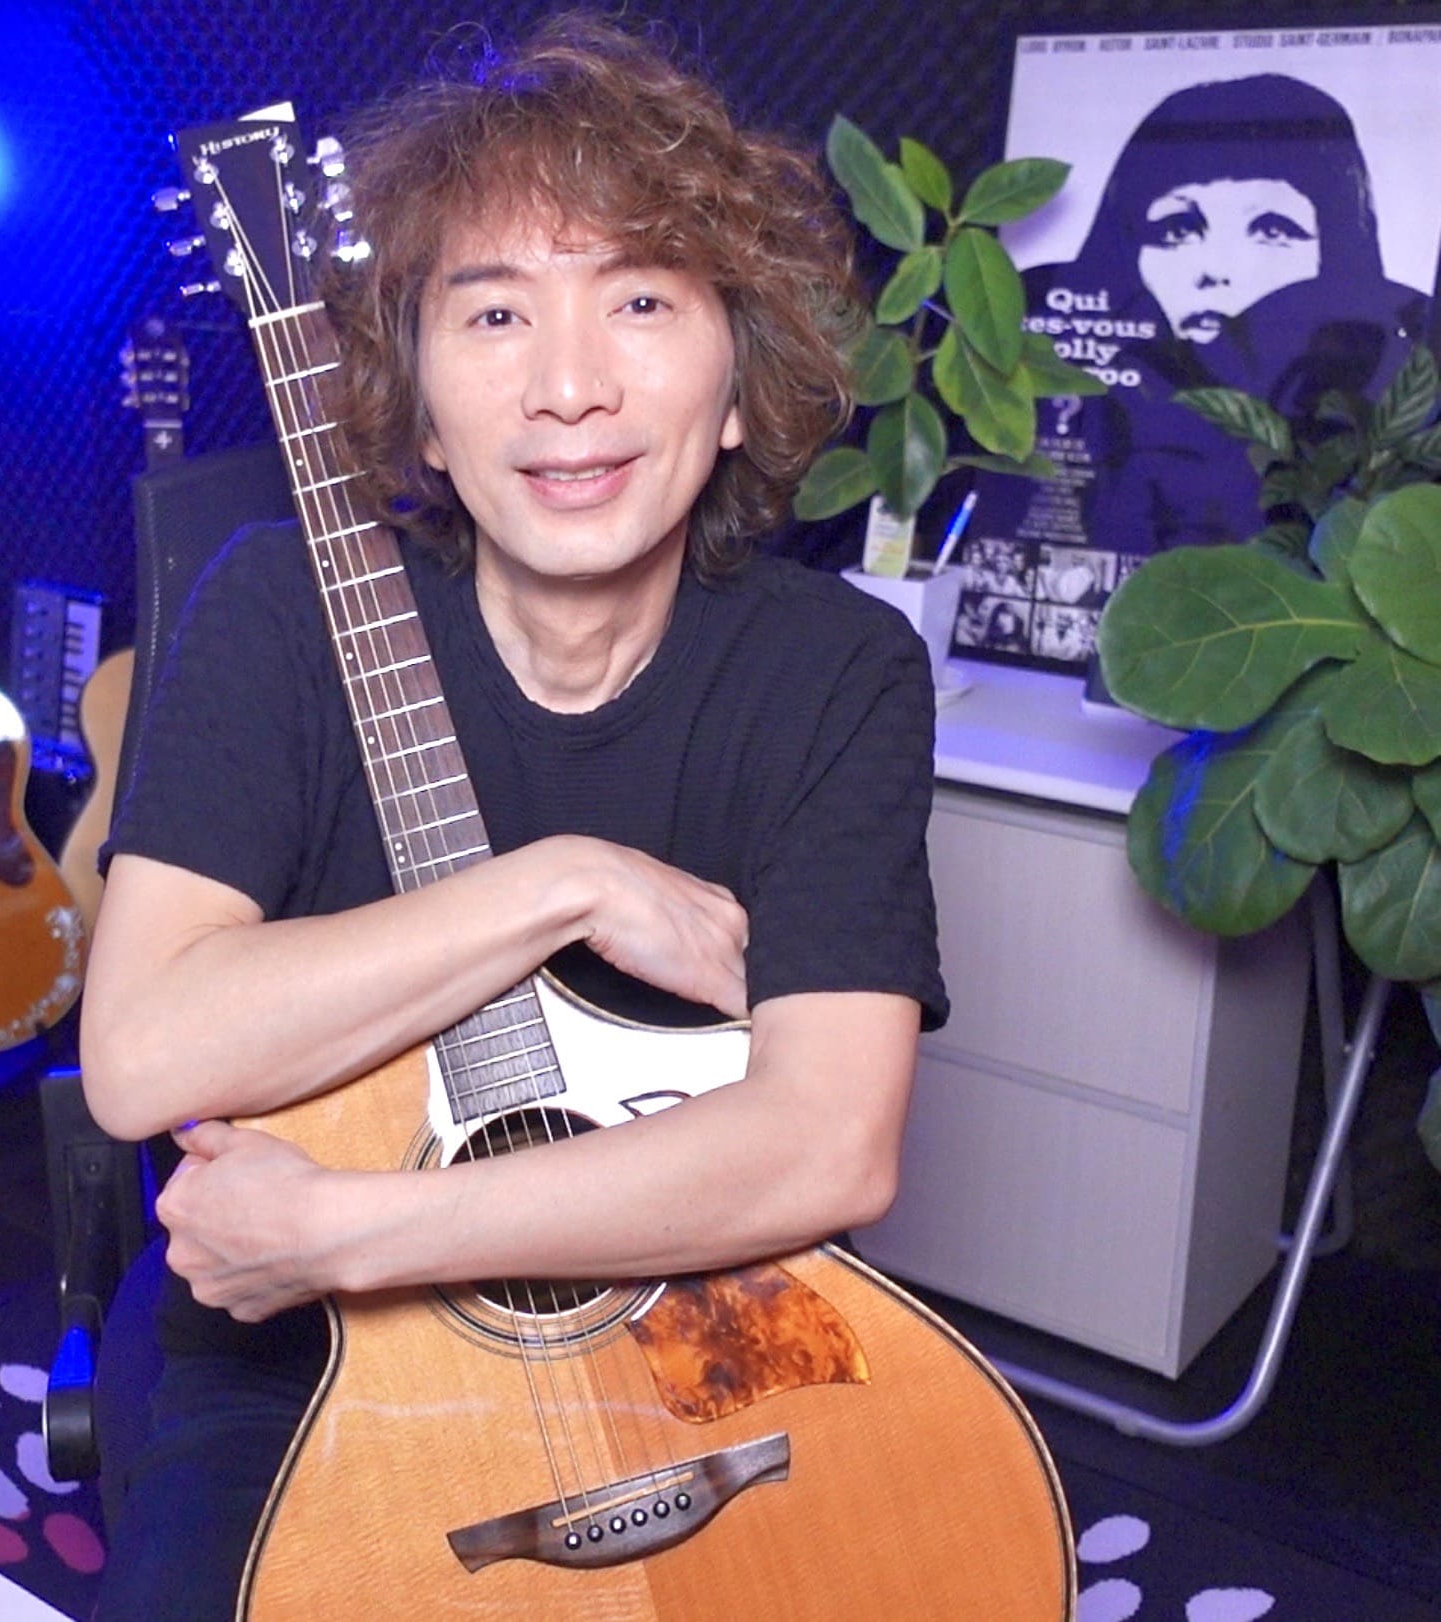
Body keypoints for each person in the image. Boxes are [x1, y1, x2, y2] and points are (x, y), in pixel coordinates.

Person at [80, 15, 947, 1617]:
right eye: (492, 313)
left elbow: (829, 1137)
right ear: (416, 410)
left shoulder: (839, 668)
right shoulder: (278, 608)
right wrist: (562, 883)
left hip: (684, 1332)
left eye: (640, 299)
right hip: (297, 1367)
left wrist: (348, 1227)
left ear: (739, 384)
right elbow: (140, 1054)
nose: (568, 386)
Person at [1012, 73, 1431, 556]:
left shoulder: (1387, 412)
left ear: (1335, 249)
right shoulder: (1073, 398)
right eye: (1177, 230)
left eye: (1272, 230)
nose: (1217, 270)